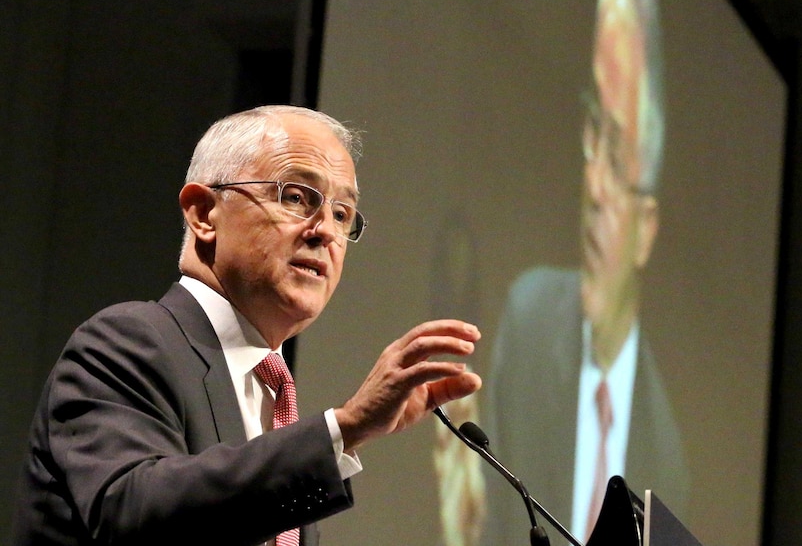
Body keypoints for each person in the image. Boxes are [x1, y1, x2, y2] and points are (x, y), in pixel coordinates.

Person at [13, 105, 483, 546]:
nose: (324, 231)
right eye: (297, 197)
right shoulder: (125, 344)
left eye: (342, 214)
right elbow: (135, 514)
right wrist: (346, 427)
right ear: (203, 214)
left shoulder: (275, 399)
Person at [434, 0, 687, 545]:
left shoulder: (669, 455)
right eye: (594, 129)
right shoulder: (531, 319)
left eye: (618, 160)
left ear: (648, 229)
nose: (594, 187)